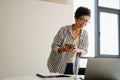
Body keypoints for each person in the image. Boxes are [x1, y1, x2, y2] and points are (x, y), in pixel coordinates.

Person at [47, 6, 91, 75]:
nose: (84, 23)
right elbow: (54, 46)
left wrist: (78, 50)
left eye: (86, 21)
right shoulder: (64, 30)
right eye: (82, 19)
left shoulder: (85, 34)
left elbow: (85, 50)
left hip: (73, 65)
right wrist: (64, 49)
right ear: (76, 18)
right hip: (58, 63)